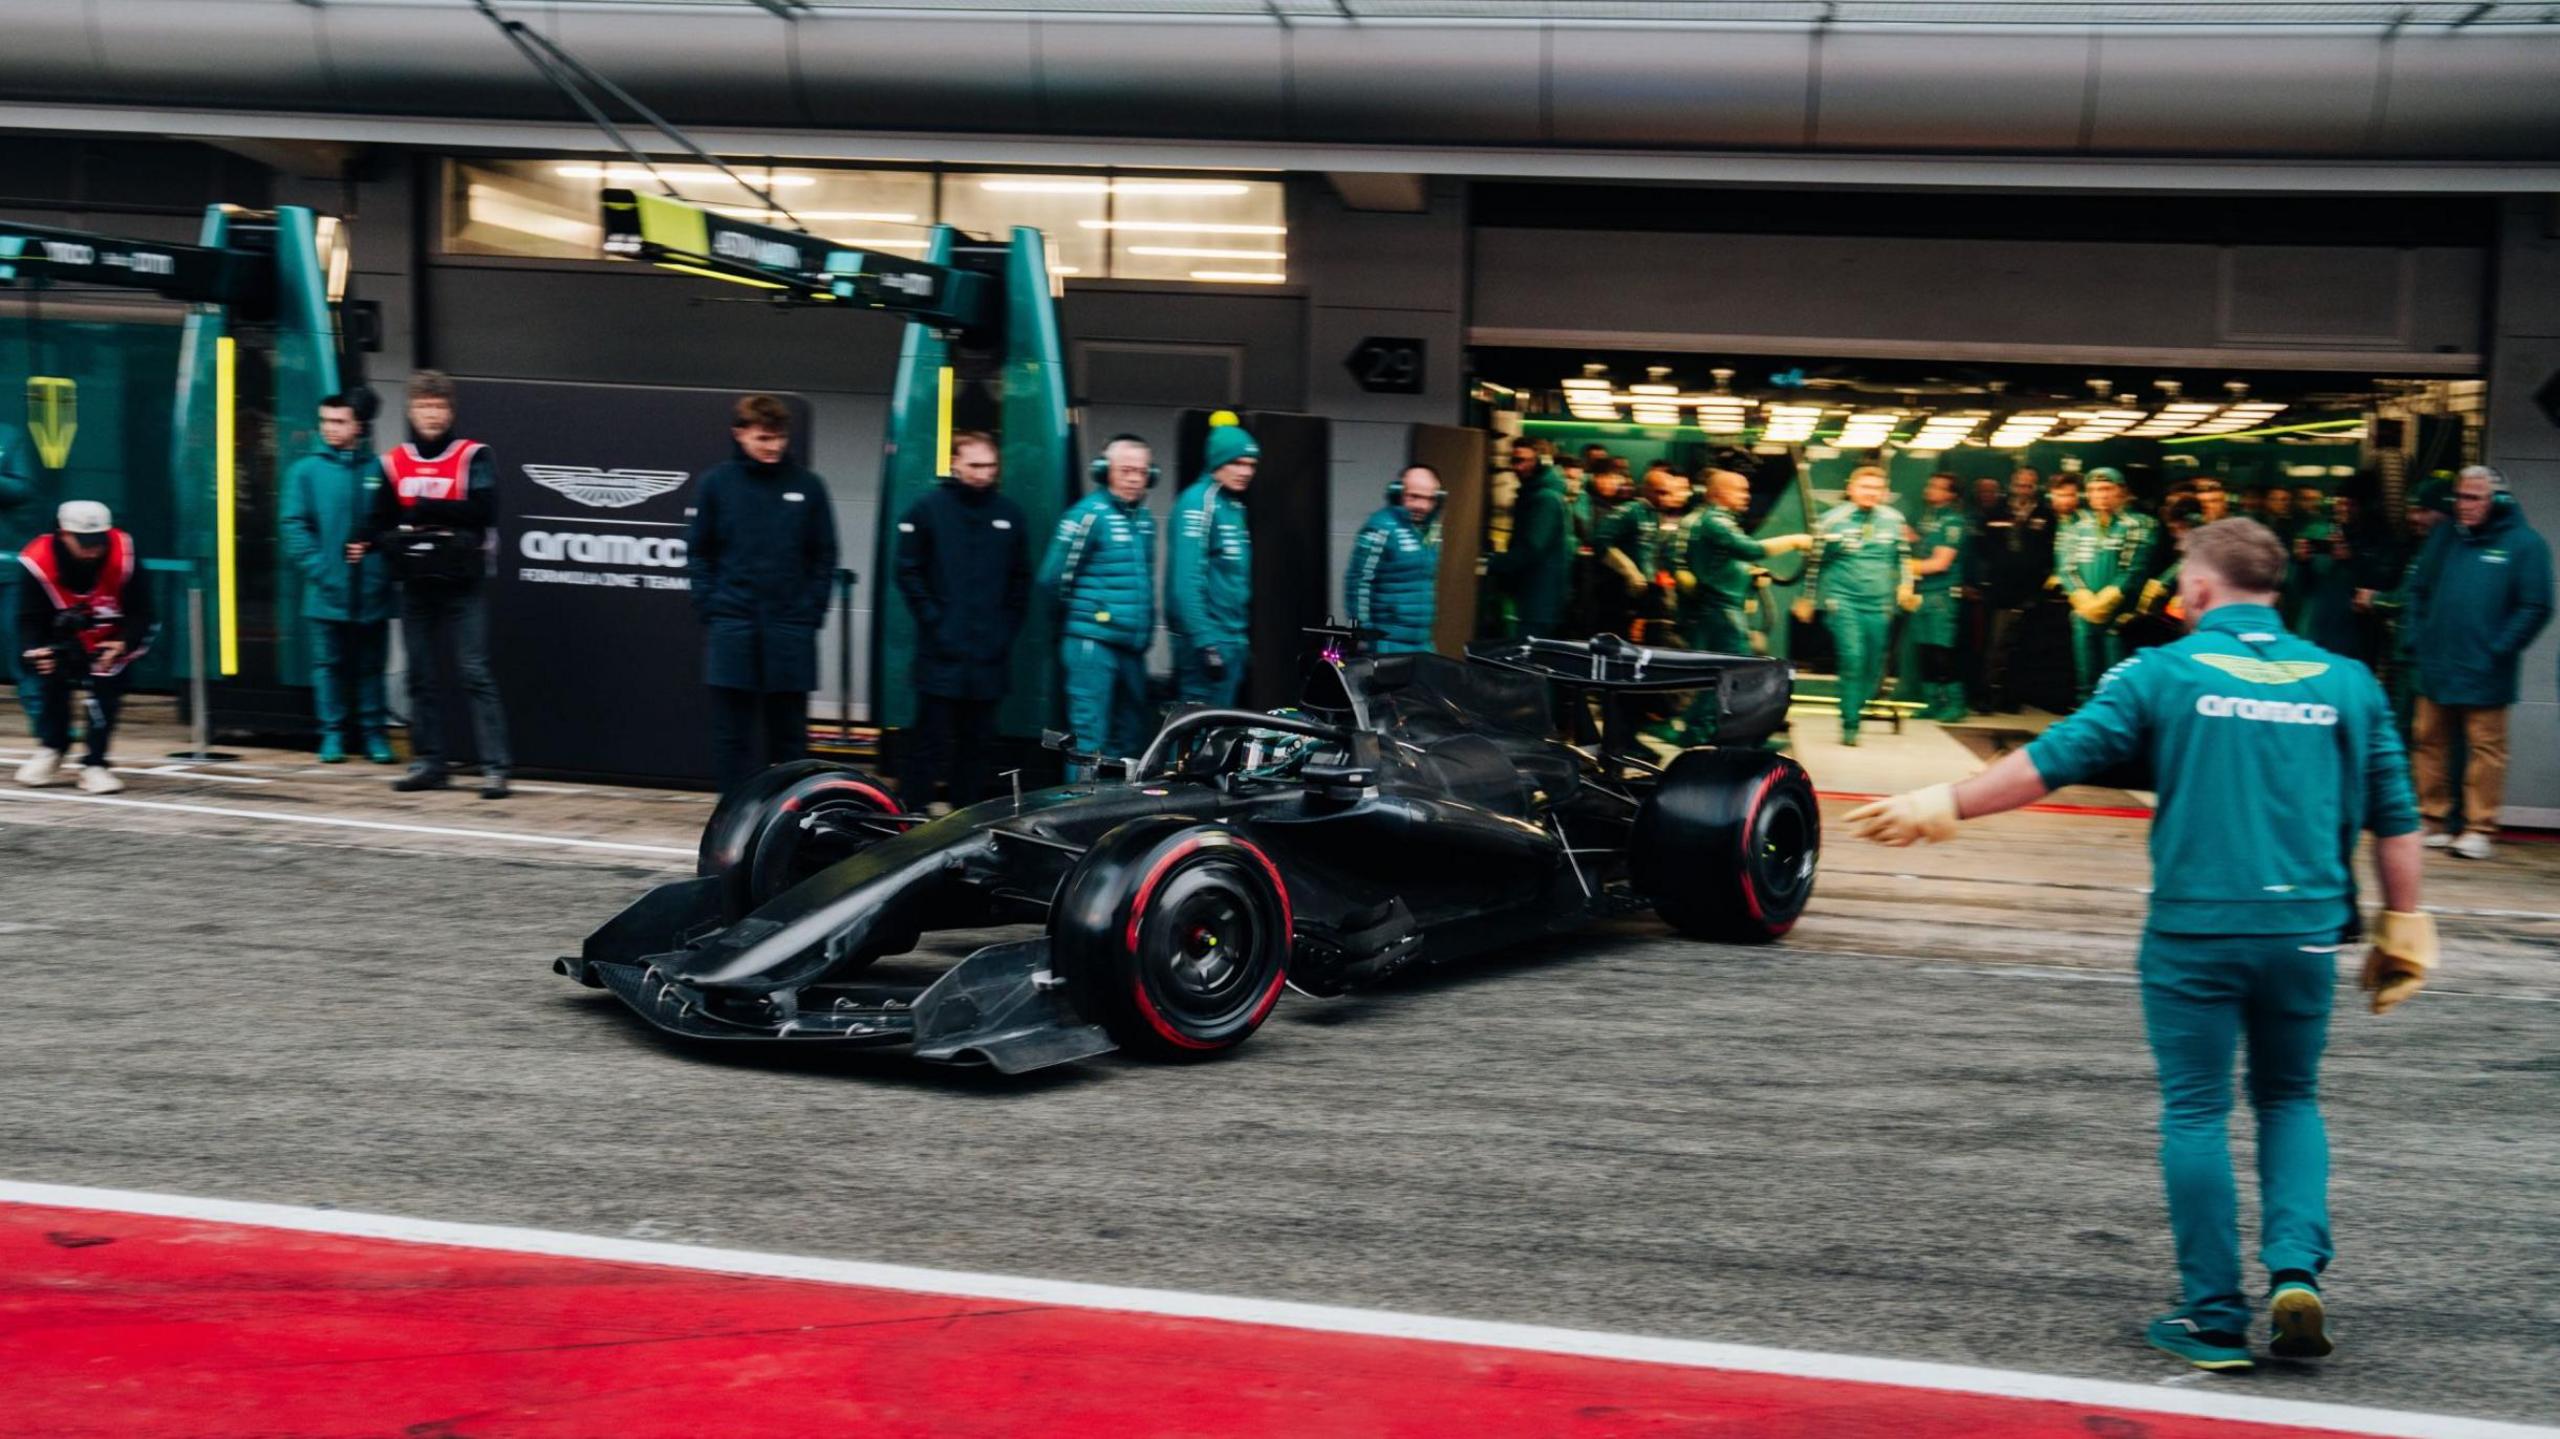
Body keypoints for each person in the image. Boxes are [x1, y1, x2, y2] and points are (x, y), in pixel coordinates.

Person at [1844, 518, 2432, 1374]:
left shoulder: (2161, 670)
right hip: (2305, 931)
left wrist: (1944, 804)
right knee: (2290, 1098)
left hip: (2197, 927)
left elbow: (2053, 758)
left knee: (2197, 1110)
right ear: (2277, 589)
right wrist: (2402, 924)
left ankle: (2215, 1316)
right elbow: (2399, 817)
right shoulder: (2351, 682)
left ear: (2199, 589)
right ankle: (2296, 1272)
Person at [357, 371, 512, 797]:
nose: (431, 414)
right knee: (419, 676)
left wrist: (424, 508)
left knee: (474, 672)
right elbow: (380, 518)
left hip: (464, 581)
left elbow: (484, 509)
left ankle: (495, 768)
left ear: (450, 411)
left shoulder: (474, 455)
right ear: (411, 410)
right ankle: (430, 763)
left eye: (438, 406)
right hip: (416, 583)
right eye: (423, 406)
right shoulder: (394, 461)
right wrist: (365, 539)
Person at [685, 393, 839, 793]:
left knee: (789, 741)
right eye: (763, 438)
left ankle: (790, 818)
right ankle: (733, 818)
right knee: (732, 740)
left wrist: (808, 617)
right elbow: (699, 553)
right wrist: (714, 610)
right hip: (733, 631)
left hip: (789, 633)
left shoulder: (808, 487)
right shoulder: (716, 484)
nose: (773, 447)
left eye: (779, 438)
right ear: (740, 434)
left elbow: (824, 557)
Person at [2406, 464, 2553, 859]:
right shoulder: (2443, 538)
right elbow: (2418, 591)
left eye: (2474, 498)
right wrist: (2417, 639)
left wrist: (2498, 648)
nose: (2463, 506)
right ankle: (2433, 820)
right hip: (2437, 661)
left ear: (2498, 500)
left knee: (2486, 748)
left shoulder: (2524, 545)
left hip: (2486, 667)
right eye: (2460, 497)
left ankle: (2478, 827)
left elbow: (2536, 606)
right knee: (2427, 740)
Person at [893, 431, 1029, 814]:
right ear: (954, 463)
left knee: (977, 747)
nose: (983, 473)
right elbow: (907, 571)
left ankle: (964, 821)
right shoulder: (928, 510)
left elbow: (1021, 581)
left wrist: (1003, 632)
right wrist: (936, 622)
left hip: (988, 660)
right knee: (928, 744)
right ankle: (909, 819)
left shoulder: (1009, 515)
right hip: (941, 657)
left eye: (989, 465)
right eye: (974, 465)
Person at [281, 393, 397, 766]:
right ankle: (332, 734)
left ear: (358, 425)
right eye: (326, 421)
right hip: (325, 592)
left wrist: (379, 572)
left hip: (371, 590)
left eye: (339, 421)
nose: (330, 428)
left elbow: (390, 526)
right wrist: (322, 569)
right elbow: (294, 526)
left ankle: (373, 734)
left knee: (370, 666)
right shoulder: (305, 472)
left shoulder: (379, 470)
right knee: (328, 665)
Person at [14, 500, 156, 793]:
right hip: (64, 630)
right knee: (49, 674)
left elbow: (143, 611)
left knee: (105, 687)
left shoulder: (124, 552)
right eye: (84, 542)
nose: (94, 549)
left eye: (99, 541)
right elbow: (29, 618)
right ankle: (53, 747)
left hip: (115, 632)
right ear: (64, 535)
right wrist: (37, 650)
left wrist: (122, 642)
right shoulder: (36, 560)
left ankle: (95, 763)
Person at [1040, 435, 1158, 764]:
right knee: (1087, 742)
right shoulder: (1087, 515)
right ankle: (1077, 812)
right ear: (1106, 471)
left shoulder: (1145, 521)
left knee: (1130, 741)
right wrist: (1078, 625)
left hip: (1131, 649)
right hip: (1092, 647)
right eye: (1126, 470)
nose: (1135, 478)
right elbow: (1052, 578)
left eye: (1142, 471)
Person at [1794, 466, 1911, 746]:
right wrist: (1808, 597)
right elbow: (1815, 564)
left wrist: (1906, 586)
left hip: (1880, 604)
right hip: (1843, 601)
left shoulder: (1895, 520)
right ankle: (1850, 723)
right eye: (1864, 486)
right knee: (1852, 659)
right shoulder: (1831, 521)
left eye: (1876, 488)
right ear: (1851, 488)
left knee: (1873, 668)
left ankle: (1855, 708)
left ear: (1884, 492)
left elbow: (1903, 559)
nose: (1870, 493)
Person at [1166, 422, 1258, 708]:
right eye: (1237, 463)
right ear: (1218, 460)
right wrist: (1206, 642)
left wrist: (1239, 642)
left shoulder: (1233, 506)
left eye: (1251, 464)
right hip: (1205, 643)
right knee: (1196, 735)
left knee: (1219, 737)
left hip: (1230, 640)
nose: (1245, 472)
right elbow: (1186, 582)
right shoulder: (1198, 502)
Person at [2056, 468, 2156, 707]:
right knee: (2085, 681)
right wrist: (2083, 600)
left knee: (2116, 681)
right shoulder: (2076, 527)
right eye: (2092, 490)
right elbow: (2066, 567)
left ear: (2121, 491)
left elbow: (2133, 569)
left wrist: (2107, 600)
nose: (2099, 495)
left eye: (2106, 489)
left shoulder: (2140, 525)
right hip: (2083, 615)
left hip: (2119, 615)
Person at [1685, 467, 1812, 656]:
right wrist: (1794, 541)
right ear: (1717, 493)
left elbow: (1725, 557)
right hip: (1721, 610)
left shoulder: (1719, 520)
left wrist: (1747, 572)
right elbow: (1750, 550)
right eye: (1739, 490)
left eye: (1746, 490)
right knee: (1730, 667)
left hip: (1722, 608)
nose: (1746, 496)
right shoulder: (1716, 522)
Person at [1977, 468, 2058, 712]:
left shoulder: (2046, 515)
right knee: (1995, 645)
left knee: (2024, 646)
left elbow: (2049, 553)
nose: (2023, 490)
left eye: (2029, 486)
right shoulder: (1996, 512)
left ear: (2036, 487)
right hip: (2000, 589)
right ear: (2011, 485)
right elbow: (1983, 549)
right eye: (2019, 485)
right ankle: (1986, 697)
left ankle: (2013, 698)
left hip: (2032, 591)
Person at [1343, 464, 1442, 654]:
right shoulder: (1380, 526)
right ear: (1398, 493)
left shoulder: (1432, 530)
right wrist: (1365, 634)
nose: (1422, 505)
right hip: (1387, 644)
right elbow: (1358, 582)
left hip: (1422, 642)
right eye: (1414, 496)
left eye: (1429, 499)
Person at [1487, 439, 1571, 639]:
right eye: (1514, 460)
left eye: (1523, 460)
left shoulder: (1544, 499)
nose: (1517, 467)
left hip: (1538, 598)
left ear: (1542, 462)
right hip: (1539, 597)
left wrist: (1494, 562)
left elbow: (1531, 548)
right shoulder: (1541, 494)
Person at [1600, 467, 1692, 644]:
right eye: (1659, 492)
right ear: (1645, 489)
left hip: (1646, 590)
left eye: (1668, 493)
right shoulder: (1629, 511)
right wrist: (1629, 570)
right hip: (1620, 590)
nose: (1664, 498)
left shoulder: (1655, 516)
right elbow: (1601, 542)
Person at [1907, 472, 1969, 721]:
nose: (1930, 489)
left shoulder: (1953, 521)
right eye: (1930, 484)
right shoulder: (1927, 517)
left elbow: (1941, 563)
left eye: (1937, 487)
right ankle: (1932, 702)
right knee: (1925, 651)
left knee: (1941, 652)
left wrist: (1904, 567)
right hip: (1921, 593)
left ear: (1951, 494)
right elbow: (1925, 544)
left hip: (1942, 594)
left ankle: (1956, 703)